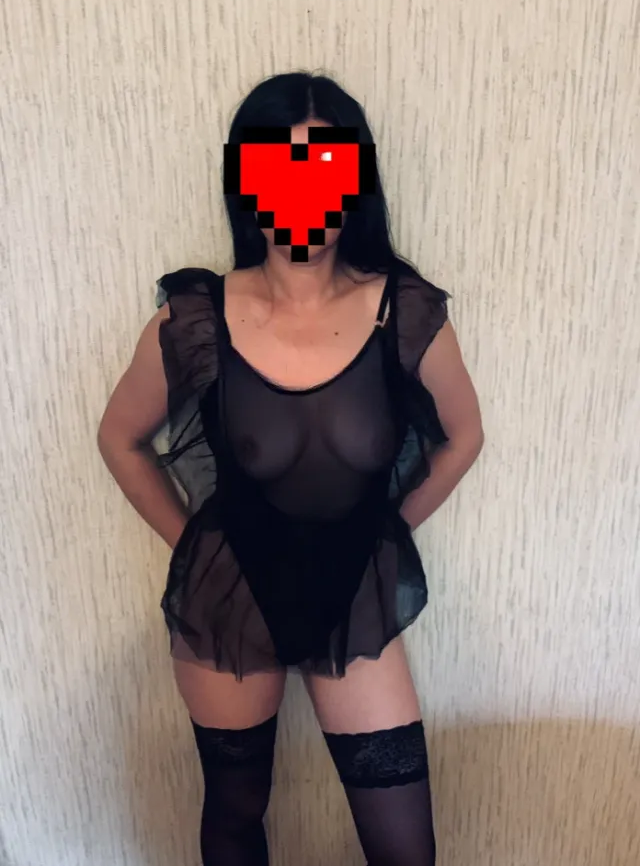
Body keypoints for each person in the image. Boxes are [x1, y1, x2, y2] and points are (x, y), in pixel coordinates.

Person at [97, 71, 484, 866]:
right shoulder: (197, 317)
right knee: (236, 814)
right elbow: (120, 438)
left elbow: (463, 435)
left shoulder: (402, 311)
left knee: (405, 848)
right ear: (246, 182)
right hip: (232, 595)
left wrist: (386, 532)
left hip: (353, 593)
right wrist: (195, 543)